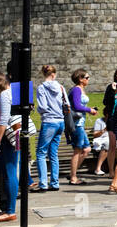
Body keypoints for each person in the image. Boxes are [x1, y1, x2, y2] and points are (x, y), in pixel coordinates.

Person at [0, 71, 18, 223]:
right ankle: (8, 208)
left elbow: (4, 120)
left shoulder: (5, 95)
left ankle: (10, 210)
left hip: (6, 138)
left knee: (9, 173)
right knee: (8, 173)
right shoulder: (13, 92)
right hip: (12, 137)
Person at [32, 64, 66, 192]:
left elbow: (43, 106)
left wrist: (39, 110)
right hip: (60, 121)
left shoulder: (41, 88)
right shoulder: (61, 87)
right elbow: (66, 104)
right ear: (54, 74)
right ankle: (55, 183)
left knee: (41, 153)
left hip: (49, 121)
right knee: (53, 153)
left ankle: (43, 184)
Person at [67, 69, 98, 184]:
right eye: (87, 77)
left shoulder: (81, 89)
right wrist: (89, 110)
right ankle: (73, 177)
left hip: (80, 123)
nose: (88, 79)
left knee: (87, 149)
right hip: (76, 124)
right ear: (80, 79)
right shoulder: (76, 89)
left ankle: (72, 173)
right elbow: (76, 106)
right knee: (78, 150)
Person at [99, 67, 117, 177]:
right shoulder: (111, 87)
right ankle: (111, 171)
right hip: (113, 118)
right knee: (112, 145)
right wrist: (113, 92)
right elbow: (105, 102)